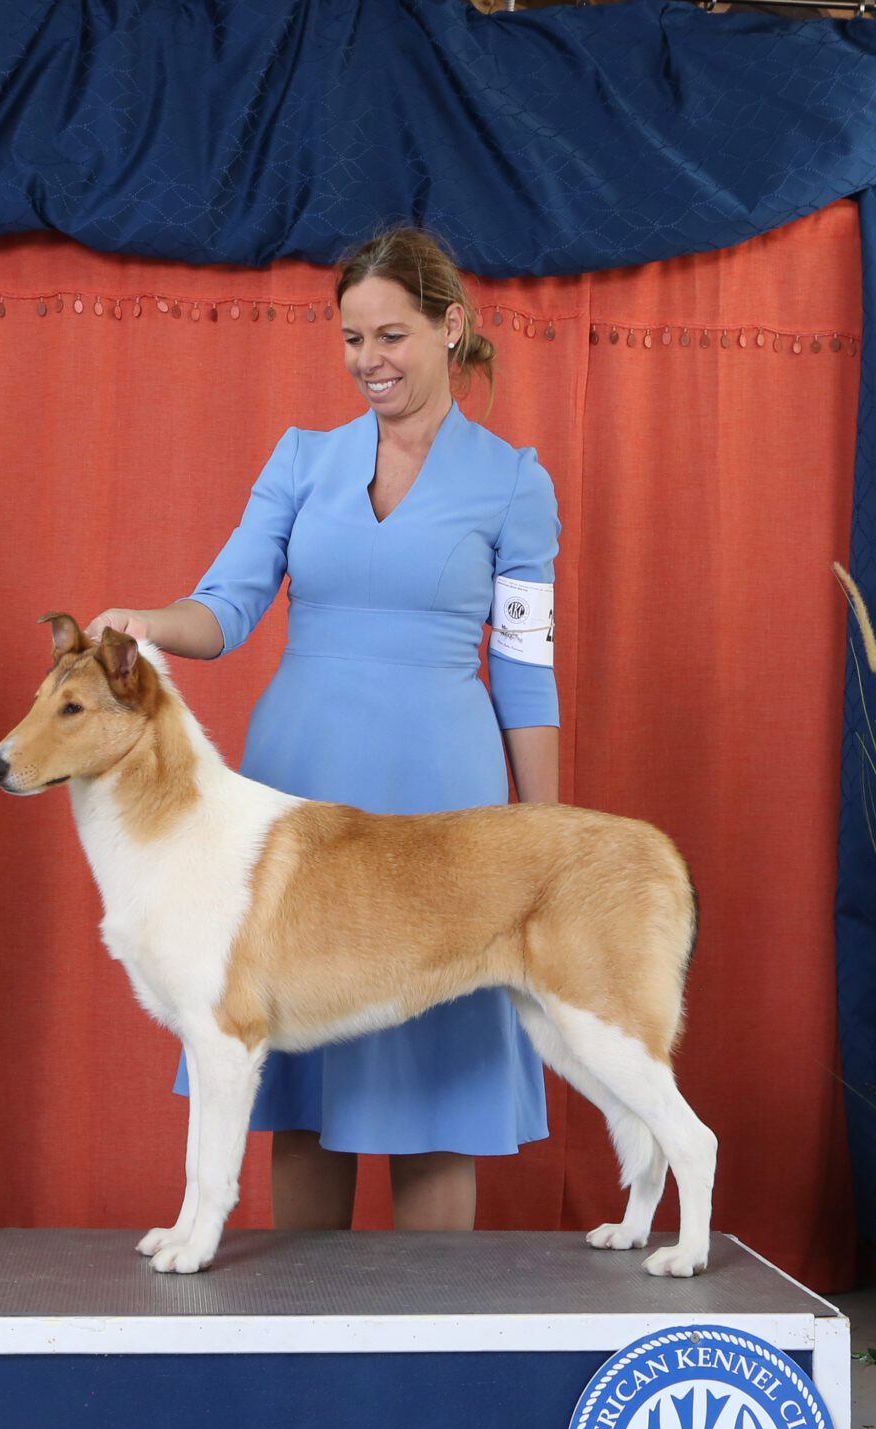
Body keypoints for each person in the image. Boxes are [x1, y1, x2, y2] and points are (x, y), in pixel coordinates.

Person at [88, 226, 561, 1233]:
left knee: (435, 1089)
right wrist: (143, 623)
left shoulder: (515, 482)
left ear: (450, 327)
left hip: (442, 796)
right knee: (296, 1080)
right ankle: (301, 1315)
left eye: (390, 336)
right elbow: (224, 608)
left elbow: (526, 671)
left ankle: (432, 1318)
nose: (368, 361)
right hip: (295, 784)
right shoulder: (301, 459)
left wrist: (547, 837)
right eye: (351, 339)